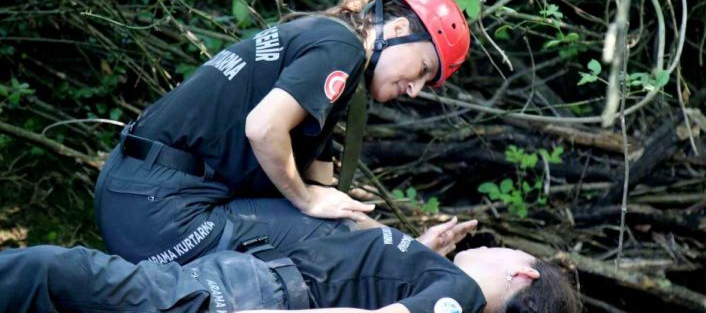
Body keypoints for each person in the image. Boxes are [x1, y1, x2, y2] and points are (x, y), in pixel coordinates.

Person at [94, 0, 472, 265]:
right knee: (302, 261)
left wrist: (410, 247)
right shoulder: (343, 49)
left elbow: (332, 212)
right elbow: (263, 128)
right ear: (399, 30)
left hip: (137, 194)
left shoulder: (323, 52)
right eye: (423, 69)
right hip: (161, 210)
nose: (415, 90)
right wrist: (305, 199)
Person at [0, 220, 580, 313]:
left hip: (249, 297)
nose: (495, 246)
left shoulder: (459, 297)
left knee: (58, 271)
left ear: (523, 275)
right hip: (247, 280)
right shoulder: (444, 281)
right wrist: (419, 246)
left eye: (513, 252)